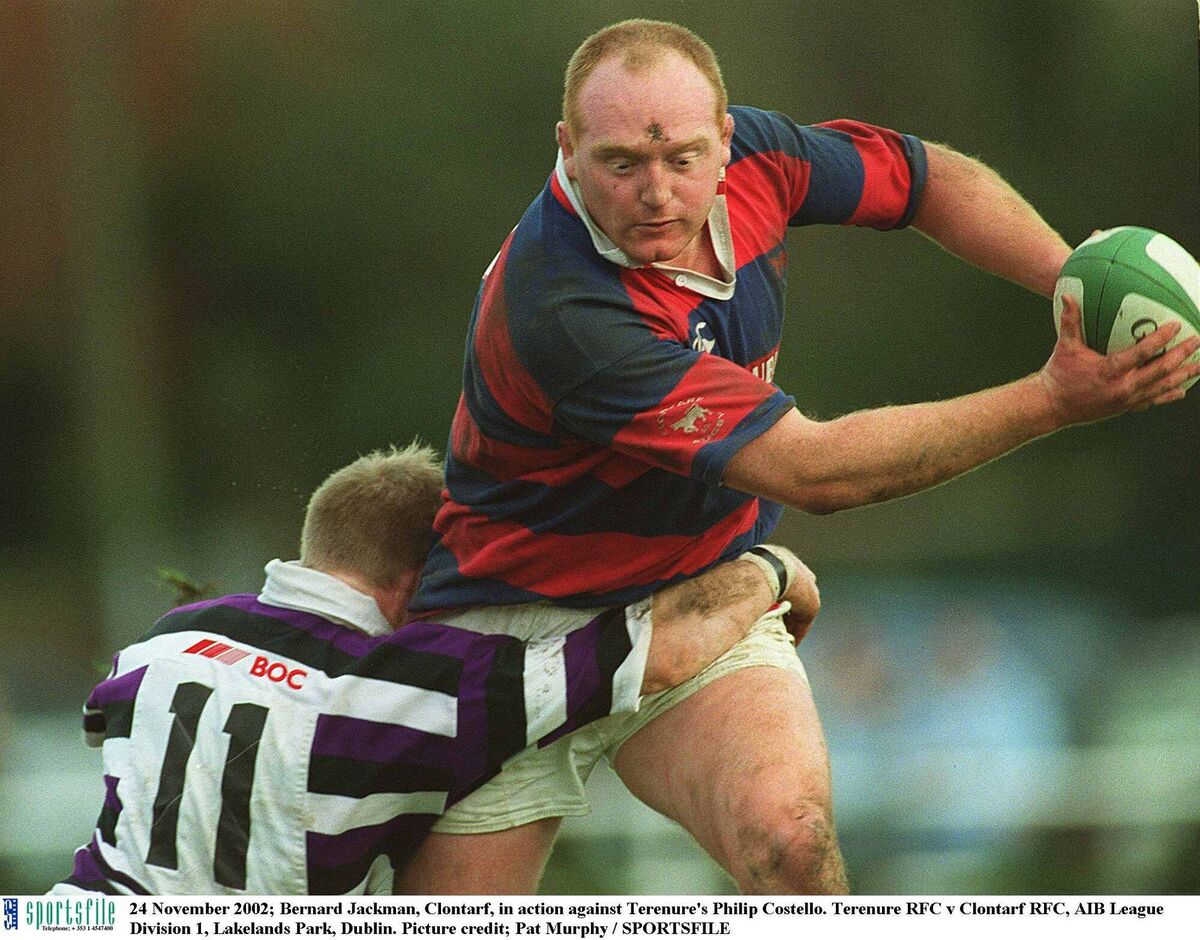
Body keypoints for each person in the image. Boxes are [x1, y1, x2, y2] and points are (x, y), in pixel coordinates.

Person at [401, 19, 1200, 895]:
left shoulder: (763, 160)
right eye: (621, 163)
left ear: (727, 138)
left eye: (684, 159)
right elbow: (818, 471)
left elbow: (928, 181)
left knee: (792, 844)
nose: (657, 194)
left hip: (698, 594)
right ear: (567, 148)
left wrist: (1074, 281)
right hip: (513, 622)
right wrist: (1054, 399)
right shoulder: (563, 310)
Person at [50, 442, 819, 895]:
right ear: (421, 582)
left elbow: (100, 718)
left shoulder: (169, 638)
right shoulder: (410, 691)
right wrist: (776, 568)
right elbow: (661, 651)